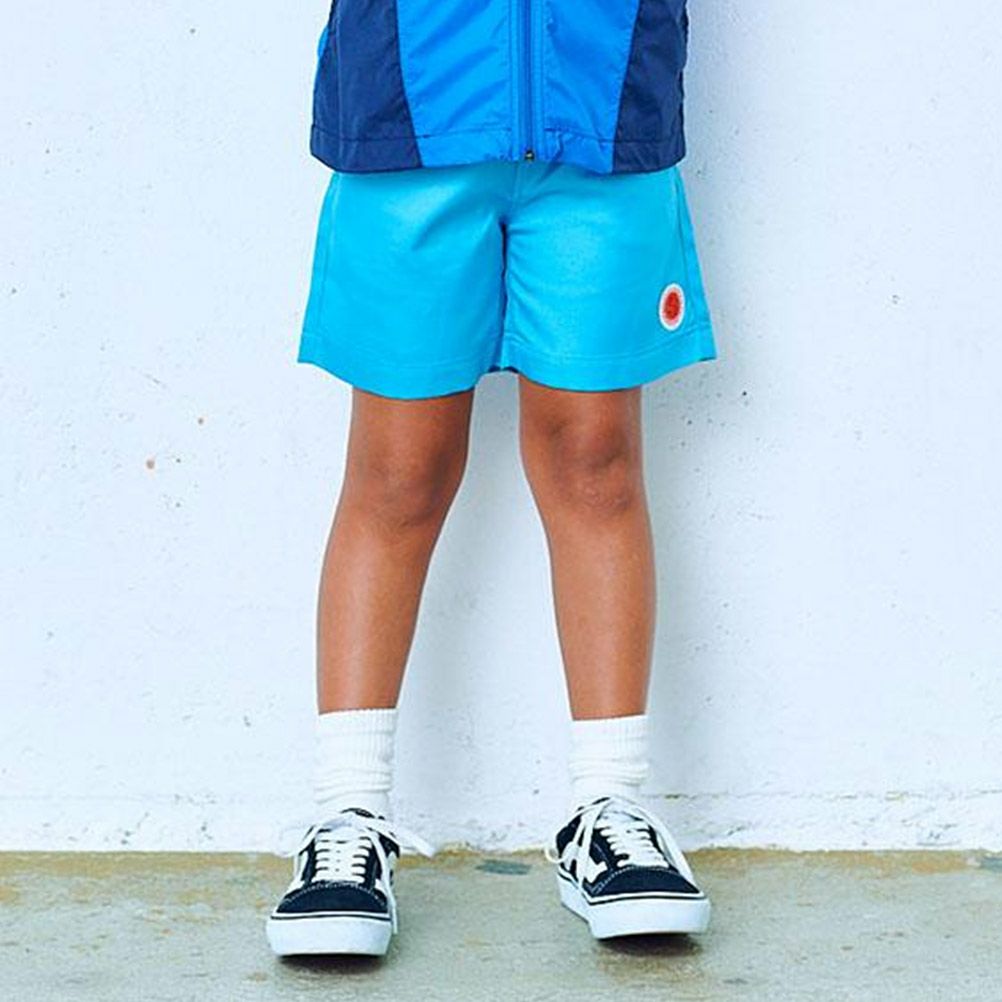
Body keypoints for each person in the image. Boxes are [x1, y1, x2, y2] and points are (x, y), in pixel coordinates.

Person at [266, 0, 718, 957]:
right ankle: (347, 812)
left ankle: (610, 805)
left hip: (600, 106)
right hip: (411, 109)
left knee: (596, 464)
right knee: (397, 473)